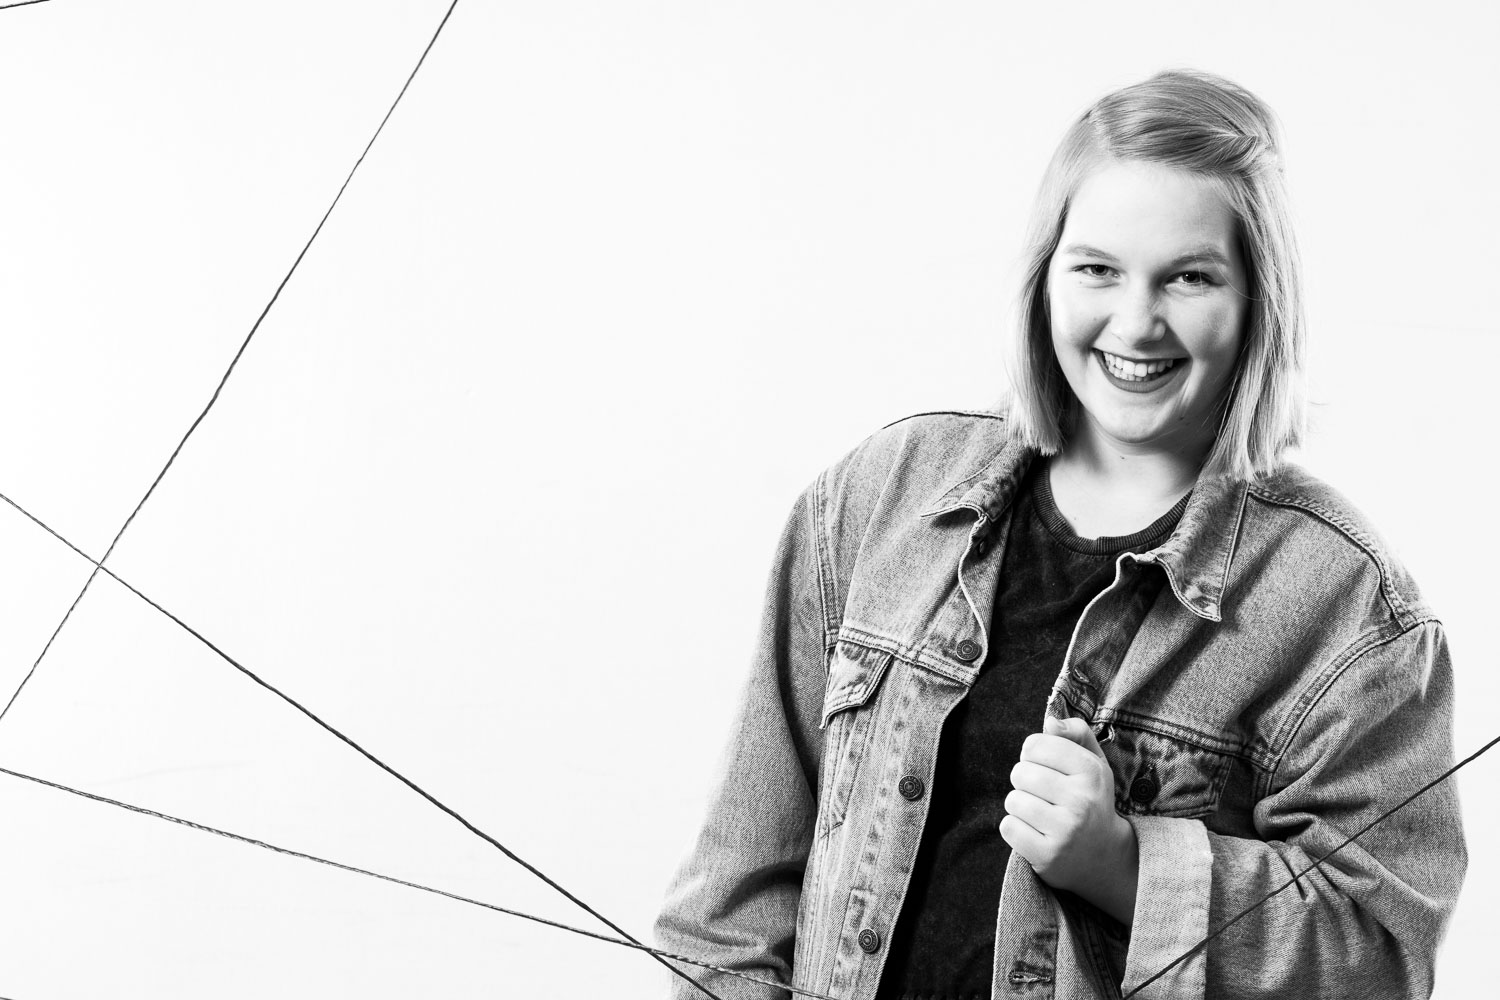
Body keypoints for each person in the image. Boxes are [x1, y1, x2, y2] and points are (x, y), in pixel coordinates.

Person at [655, 69, 1466, 1000]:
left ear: (1257, 301)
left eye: (1191, 277)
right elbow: (728, 909)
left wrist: (1126, 866)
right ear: (1045, 278)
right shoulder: (880, 498)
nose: (1136, 322)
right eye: (1097, 269)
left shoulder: (1348, 608)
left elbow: (1380, 957)